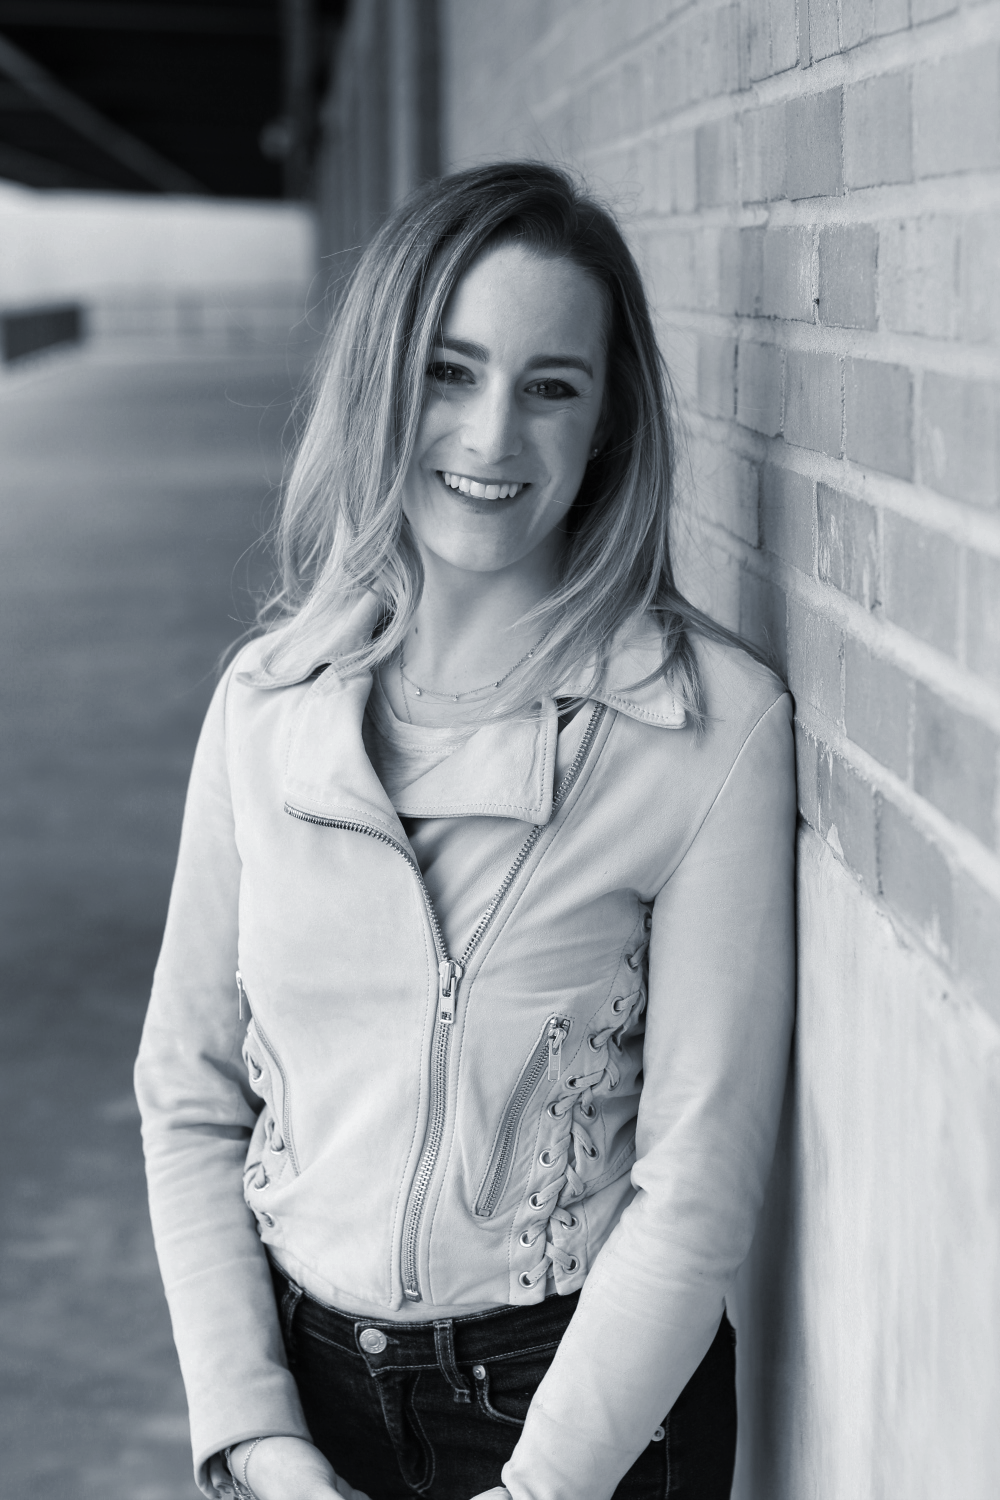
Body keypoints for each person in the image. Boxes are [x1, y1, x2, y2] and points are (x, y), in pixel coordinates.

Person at [135, 161, 795, 1500]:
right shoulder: (267, 707)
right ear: (383, 383)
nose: (493, 437)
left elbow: (698, 1182)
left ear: (608, 422)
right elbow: (190, 1092)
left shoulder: (706, 728)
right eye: (452, 371)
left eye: (551, 385)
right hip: (304, 1394)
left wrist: (537, 1489)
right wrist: (253, 1435)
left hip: (583, 1414)